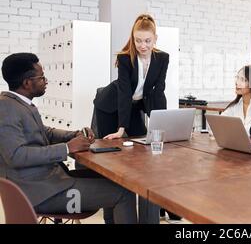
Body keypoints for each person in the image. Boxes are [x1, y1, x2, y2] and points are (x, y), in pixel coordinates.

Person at [0, 53, 137, 223]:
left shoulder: (19, 104)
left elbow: (45, 132)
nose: (46, 81)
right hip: (41, 194)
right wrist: (67, 148)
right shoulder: (6, 108)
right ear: (27, 82)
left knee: (116, 182)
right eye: (41, 77)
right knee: (124, 193)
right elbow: (16, 156)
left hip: (47, 184)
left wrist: (74, 135)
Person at [93, 13, 171, 223]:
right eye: (138, 40)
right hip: (110, 106)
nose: (142, 45)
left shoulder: (162, 58)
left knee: (144, 150)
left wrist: (160, 123)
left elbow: (158, 90)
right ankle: (111, 215)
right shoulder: (125, 57)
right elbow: (125, 93)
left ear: (155, 39)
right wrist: (121, 128)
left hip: (135, 106)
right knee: (112, 156)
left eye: (147, 41)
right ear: (133, 38)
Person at [221, 65, 251, 134]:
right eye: (237, 78)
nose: (237, 83)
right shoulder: (235, 105)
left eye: (243, 80)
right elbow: (219, 123)